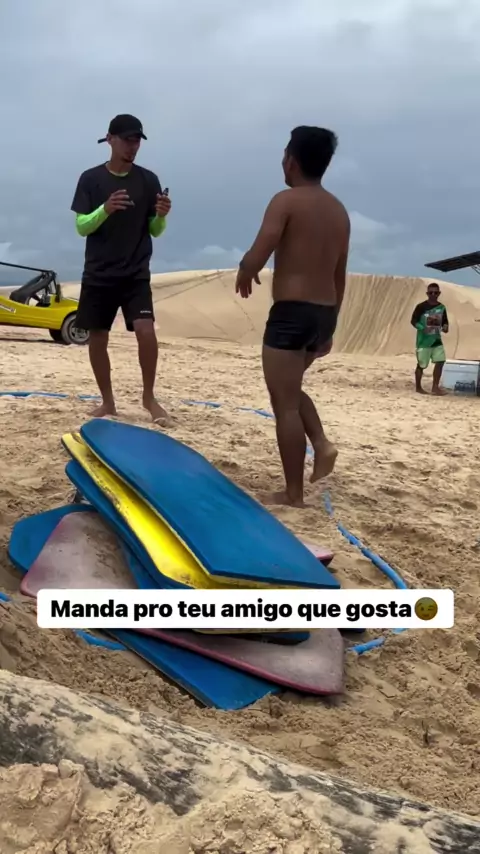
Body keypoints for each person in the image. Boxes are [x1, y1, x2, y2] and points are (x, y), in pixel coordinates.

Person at [235, 126, 350, 507]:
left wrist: (246, 269)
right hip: (323, 312)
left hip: (291, 313)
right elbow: (339, 273)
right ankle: (321, 443)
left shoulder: (285, 201)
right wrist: (331, 324)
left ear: (292, 161)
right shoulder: (338, 211)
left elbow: (263, 246)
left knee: (283, 402)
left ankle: (293, 493)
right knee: (290, 388)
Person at [71, 114, 172, 422]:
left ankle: (149, 398)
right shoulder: (90, 178)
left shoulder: (148, 180)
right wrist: (105, 209)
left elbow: (155, 231)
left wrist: (161, 215)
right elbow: (81, 227)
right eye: (127, 140)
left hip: (135, 273)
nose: (133, 146)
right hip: (99, 273)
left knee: (146, 331)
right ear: (110, 139)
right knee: (98, 337)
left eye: (137, 140)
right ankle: (108, 402)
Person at [411, 283, 449, 395]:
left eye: (435, 293)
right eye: (431, 292)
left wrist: (445, 327)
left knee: (440, 361)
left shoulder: (442, 308)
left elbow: (445, 322)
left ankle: (435, 387)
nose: (433, 295)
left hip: (436, 340)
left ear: (439, 293)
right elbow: (413, 321)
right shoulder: (421, 307)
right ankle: (418, 387)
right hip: (423, 341)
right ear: (427, 293)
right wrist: (422, 328)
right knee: (422, 364)